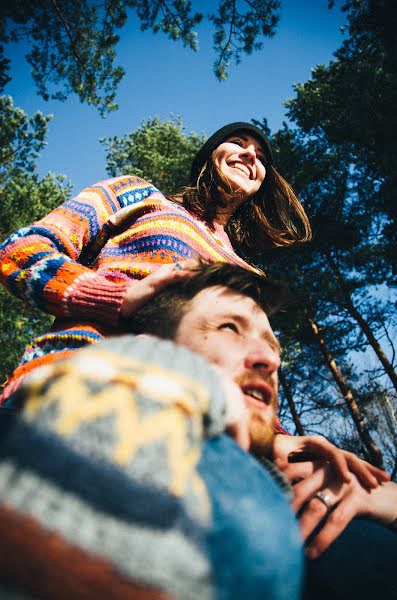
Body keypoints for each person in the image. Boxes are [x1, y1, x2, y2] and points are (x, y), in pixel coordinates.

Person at [1, 263, 395, 600]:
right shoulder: (83, 430)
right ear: (150, 348)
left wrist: (382, 499)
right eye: (229, 327)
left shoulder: (323, 484)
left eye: (273, 346)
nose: (270, 359)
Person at [0, 121, 311, 404]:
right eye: (239, 142)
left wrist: (277, 438)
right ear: (209, 154)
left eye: (261, 157)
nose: (250, 155)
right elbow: (21, 250)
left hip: (199, 435)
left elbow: (250, 370)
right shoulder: (136, 195)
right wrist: (117, 297)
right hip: (83, 380)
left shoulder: (248, 273)